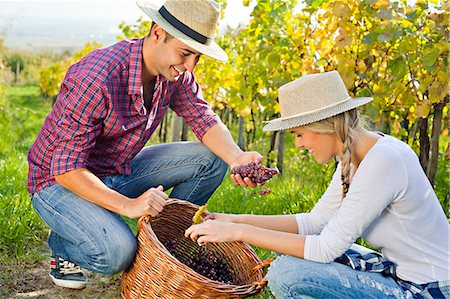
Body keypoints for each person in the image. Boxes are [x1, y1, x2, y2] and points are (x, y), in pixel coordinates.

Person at [28, 0, 263, 290]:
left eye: (197, 57)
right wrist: (129, 206)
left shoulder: (174, 73)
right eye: (186, 53)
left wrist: (237, 157)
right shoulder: (97, 77)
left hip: (115, 170)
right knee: (117, 253)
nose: (190, 66)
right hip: (58, 183)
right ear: (157, 33)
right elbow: (67, 169)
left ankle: (165, 245)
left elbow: (203, 118)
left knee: (212, 159)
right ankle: (63, 243)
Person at [185, 71, 450, 298]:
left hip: (428, 289)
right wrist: (235, 221)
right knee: (293, 256)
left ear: (326, 125)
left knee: (287, 274)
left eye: (299, 134)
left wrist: (238, 233)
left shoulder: (383, 160)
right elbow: (316, 223)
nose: (298, 144)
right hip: (402, 274)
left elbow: (325, 248)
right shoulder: (355, 156)